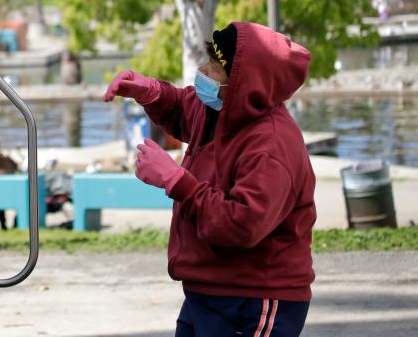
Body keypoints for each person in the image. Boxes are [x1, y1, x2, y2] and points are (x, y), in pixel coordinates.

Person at [103, 22, 316, 337]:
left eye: (215, 67)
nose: (203, 70)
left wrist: (177, 181)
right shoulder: (221, 110)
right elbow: (184, 107)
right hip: (209, 289)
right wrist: (150, 91)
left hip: (255, 297)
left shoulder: (271, 144)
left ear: (245, 82)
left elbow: (241, 224)